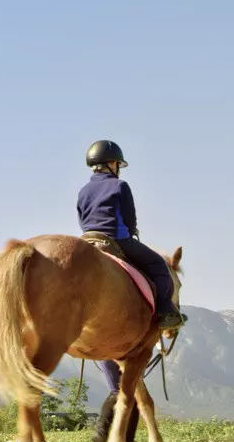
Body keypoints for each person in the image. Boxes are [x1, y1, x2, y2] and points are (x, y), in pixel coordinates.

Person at [77, 140, 184, 332]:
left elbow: (82, 218)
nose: (118, 169)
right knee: (158, 264)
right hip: (115, 239)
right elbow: (129, 219)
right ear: (111, 163)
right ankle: (165, 311)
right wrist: (131, 231)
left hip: (87, 241)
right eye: (118, 164)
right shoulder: (120, 186)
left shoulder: (83, 191)